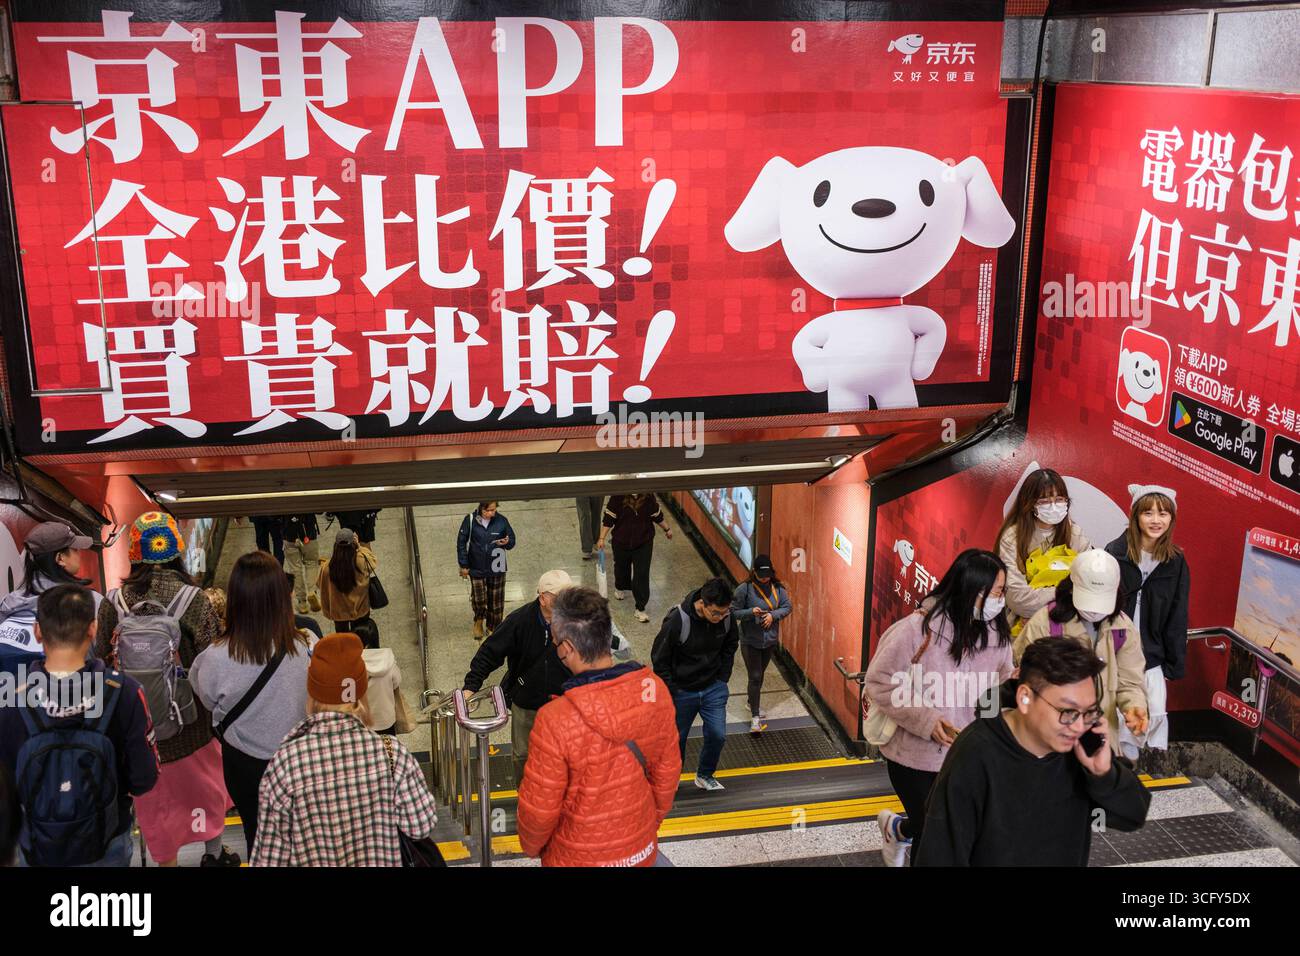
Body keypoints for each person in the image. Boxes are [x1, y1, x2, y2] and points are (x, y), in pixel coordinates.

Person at [915, 637, 1151, 866]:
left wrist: (1104, 774)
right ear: (1025, 697)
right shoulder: (975, 754)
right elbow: (940, 855)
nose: (1079, 725)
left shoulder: (1083, 746)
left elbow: (1134, 817)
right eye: (1067, 712)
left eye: (1089, 712)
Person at [95, 512, 236, 867]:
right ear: (177, 549)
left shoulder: (113, 602)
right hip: (190, 725)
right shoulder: (195, 599)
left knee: (156, 805)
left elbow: (100, 658)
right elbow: (212, 657)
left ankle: (166, 862)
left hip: (138, 731)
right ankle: (213, 854)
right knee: (205, 790)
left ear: (134, 552)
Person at [863, 549, 1015, 866]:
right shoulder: (915, 630)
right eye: (995, 592)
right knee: (935, 834)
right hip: (915, 759)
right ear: (970, 590)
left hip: (967, 756)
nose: (1000, 599)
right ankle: (905, 832)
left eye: (1002, 591)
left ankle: (897, 829)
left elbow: (999, 686)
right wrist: (927, 720)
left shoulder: (997, 635)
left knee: (940, 829)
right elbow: (879, 681)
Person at [516, 586, 680, 866]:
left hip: (574, 857)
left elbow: (539, 812)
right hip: (639, 850)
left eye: (557, 645)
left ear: (566, 648)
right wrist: (645, 827)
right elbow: (666, 775)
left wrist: (533, 849)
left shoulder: (554, 719)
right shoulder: (654, 690)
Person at [0, 585, 159, 866]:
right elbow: (144, 779)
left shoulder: (10, 701)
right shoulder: (125, 693)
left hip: (35, 846)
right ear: (93, 629)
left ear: (38, 632)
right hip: (107, 843)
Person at [252, 633, 438, 866]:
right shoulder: (392, 754)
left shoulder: (285, 764)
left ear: (312, 694)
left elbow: (268, 859)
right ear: (361, 693)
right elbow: (421, 825)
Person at [191, 551, 316, 856]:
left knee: (256, 835)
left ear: (235, 599)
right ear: (281, 597)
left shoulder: (213, 658)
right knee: (308, 838)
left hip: (245, 766)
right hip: (301, 761)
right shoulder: (307, 645)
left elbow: (205, 698)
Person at [1015, 549, 1149, 754]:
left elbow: (1130, 681)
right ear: (1071, 588)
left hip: (1101, 741)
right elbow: (1021, 674)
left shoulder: (1122, 628)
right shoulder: (1045, 623)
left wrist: (1134, 706)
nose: (1094, 610)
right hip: (1052, 742)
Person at [461, 570, 573, 782]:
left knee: (565, 756)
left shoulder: (576, 620)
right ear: (543, 598)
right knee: (524, 756)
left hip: (565, 703)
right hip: (527, 703)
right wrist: (470, 687)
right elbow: (490, 652)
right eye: (560, 597)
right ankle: (526, 797)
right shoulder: (520, 621)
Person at [1105, 485, 1189, 763]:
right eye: (1148, 513)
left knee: (1148, 717)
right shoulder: (1115, 553)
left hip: (1152, 657)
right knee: (1115, 719)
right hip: (1115, 654)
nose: (1156, 520)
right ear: (1135, 516)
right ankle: (1116, 776)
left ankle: (1137, 777)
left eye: (1163, 513)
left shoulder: (1175, 562)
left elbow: (1178, 615)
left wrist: (1174, 665)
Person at [651, 577, 737, 792]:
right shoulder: (677, 621)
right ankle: (672, 779)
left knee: (718, 734)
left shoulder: (726, 617)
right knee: (676, 740)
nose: (720, 617)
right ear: (702, 603)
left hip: (713, 688)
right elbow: (659, 659)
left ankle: (705, 775)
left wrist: (722, 678)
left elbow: (730, 645)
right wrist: (672, 689)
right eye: (715, 613)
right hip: (682, 691)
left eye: (724, 613)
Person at [0, 521, 99, 676]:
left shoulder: (9, 602)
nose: (79, 553)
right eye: (74, 549)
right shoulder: (88, 601)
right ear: (59, 558)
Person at [995, 467, 1090, 629]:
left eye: (1060, 499)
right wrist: (1066, 592)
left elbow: (1088, 587)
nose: (1053, 506)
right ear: (1030, 504)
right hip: (1021, 627)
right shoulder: (1012, 538)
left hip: (1066, 626)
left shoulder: (1075, 533)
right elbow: (1017, 599)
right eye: (1045, 501)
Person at [731, 554, 792, 733]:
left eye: (767, 575)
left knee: (760, 674)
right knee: (755, 676)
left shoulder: (778, 589)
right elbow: (733, 612)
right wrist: (751, 612)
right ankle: (755, 718)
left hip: (769, 640)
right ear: (753, 573)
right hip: (750, 640)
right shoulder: (744, 589)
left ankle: (751, 701)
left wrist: (773, 615)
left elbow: (787, 607)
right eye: (761, 575)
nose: (765, 578)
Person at [598, 492, 673, 624]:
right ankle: (620, 586)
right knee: (621, 567)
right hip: (621, 541)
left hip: (643, 542)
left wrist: (667, 529)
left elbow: (657, 515)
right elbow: (609, 518)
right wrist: (602, 538)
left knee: (642, 573)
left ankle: (640, 607)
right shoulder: (617, 497)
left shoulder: (648, 498)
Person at [456, 501, 516, 639]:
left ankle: (493, 626)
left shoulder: (502, 521)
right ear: (481, 508)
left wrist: (507, 542)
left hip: (497, 564)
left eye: (493, 510)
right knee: (479, 598)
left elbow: (512, 540)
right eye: (487, 510)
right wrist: (464, 564)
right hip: (476, 565)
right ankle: (478, 620)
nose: (490, 513)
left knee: (496, 599)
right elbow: (461, 543)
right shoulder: (470, 520)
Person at [317, 528, 379, 646]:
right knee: (362, 638)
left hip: (338, 612)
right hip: (360, 609)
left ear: (336, 546)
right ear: (353, 544)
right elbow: (373, 560)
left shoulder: (327, 568)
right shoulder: (361, 561)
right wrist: (359, 546)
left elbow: (319, 584)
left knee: (343, 640)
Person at [281, 513, 321, 615]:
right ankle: (312, 591)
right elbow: (319, 510)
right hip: (308, 531)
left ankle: (301, 601)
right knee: (311, 563)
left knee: (295, 568)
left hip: (289, 534)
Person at [363, 647, 405, 736]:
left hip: (363, 719)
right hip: (386, 718)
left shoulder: (353, 662)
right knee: (389, 746)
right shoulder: (388, 661)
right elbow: (397, 681)